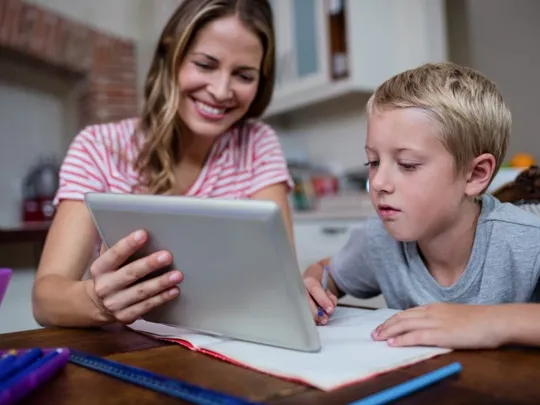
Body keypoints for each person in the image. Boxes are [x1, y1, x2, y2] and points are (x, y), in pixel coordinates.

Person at [32, 0, 295, 328]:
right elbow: (45, 299)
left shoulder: (257, 143)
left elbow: (281, 283)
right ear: (171, 56)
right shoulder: (98, 147)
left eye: (243, 75)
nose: (220, 90)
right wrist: (96, 301)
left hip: (227, 350)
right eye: (204, 65)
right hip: (125, 352)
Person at [303, 62, 540, 349]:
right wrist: (313, 283)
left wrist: (487, 321)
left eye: (407, 164)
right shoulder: (379, 239)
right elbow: (326, 273)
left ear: (475, 175)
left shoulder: (528, 241)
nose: (378, 182)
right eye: (373, 162)